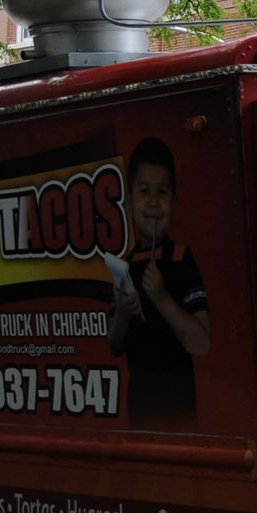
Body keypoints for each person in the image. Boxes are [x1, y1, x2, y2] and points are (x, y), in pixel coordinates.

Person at [108, 137, 210, 421]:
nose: (153, 201)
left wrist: (161, 297)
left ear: (173, 201)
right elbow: (114, 346)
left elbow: (200, 342)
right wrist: (123, 317)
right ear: (129, 200)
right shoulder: (124, 267)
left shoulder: (181, 258)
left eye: (162, 192)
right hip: (139, 408)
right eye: (144, 191)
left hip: (179, 408)